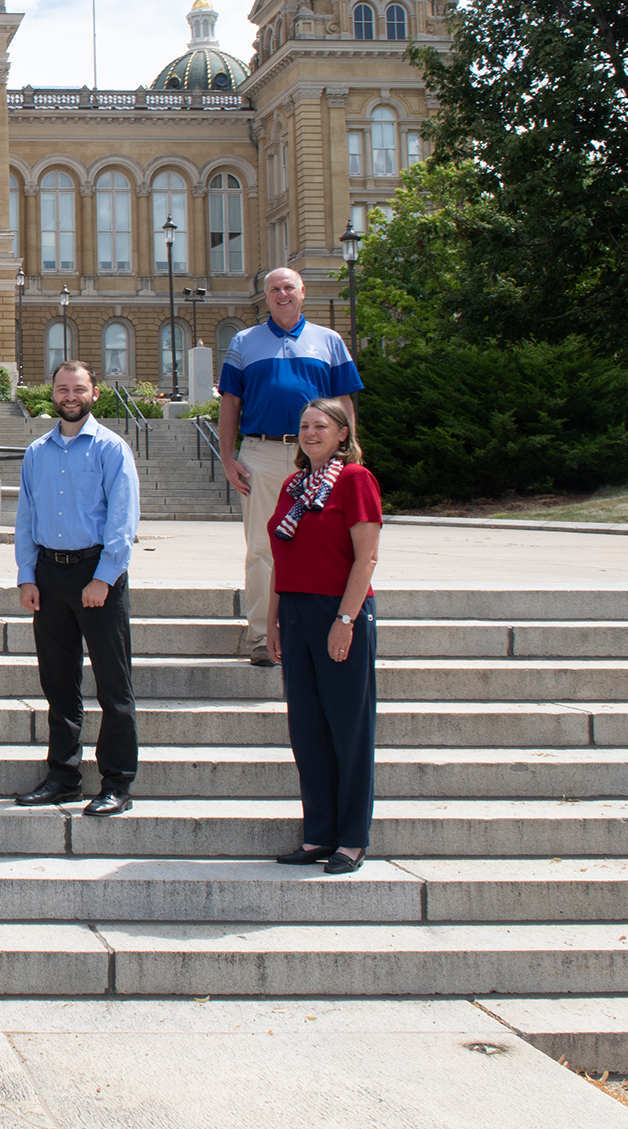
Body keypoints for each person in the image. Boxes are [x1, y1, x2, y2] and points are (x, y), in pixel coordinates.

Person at [10, 360, 142, 816]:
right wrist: (27, 575)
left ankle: (117, 782)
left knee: (113, 684)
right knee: (58, 684)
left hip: (97, 574)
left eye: (78, 389)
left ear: (94, 394)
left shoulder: (111, 449)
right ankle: (64, 776)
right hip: (49, 574)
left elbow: (123, 523)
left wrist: (104, 578)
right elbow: (26, 517)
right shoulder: (37, 452)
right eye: (63, 389)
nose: (70, 396)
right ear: (52, 394)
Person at [217, 266, 362, 666]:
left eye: (288, 288)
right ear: (265, 297)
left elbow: (345, 401)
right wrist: (228, 457)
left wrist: (349, 451)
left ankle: (318, 627)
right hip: (261, 454)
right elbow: (230, 401)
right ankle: (263, 637)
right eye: (273, 290)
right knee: (263, 548)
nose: (281, 295)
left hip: (318, 457)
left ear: (302, 292)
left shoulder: (329, 341)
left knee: (324, 544)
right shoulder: (244, 342)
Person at [265, 397, 381, 874]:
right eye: (304, 426)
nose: (310, 433)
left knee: (348, 728)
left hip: (340, 612)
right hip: (294, 612)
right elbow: (281, 559)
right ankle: (318, 834)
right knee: (307, 729)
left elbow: (366, 557)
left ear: (341, 433)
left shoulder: (356, 480)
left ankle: (351, 838)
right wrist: (272, 620)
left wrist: (346, 620)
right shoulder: (294, 486)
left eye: (321, 426)